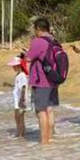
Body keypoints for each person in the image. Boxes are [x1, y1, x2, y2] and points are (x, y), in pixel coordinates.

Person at [24, 18, 59, 146]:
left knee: (41, 111)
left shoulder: (38, 41)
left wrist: (25, 53)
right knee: (49, 109)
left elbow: (28, 58)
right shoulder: (54, 40)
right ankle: (50, 138)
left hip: (41, 80)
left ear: (38, 29)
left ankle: (44, 141)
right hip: (53, 79)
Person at [8, 56, 29, 138]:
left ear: (19, 66)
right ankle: (21, 133)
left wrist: (22, 99)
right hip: (18, 99)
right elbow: (18, 86)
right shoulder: (18, 75)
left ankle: (20, 134)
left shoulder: (22, 75)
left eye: (14, 66)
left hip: (20, 100)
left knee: (18, 117)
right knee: (19, 118)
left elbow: (23, 87)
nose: (13, 67)